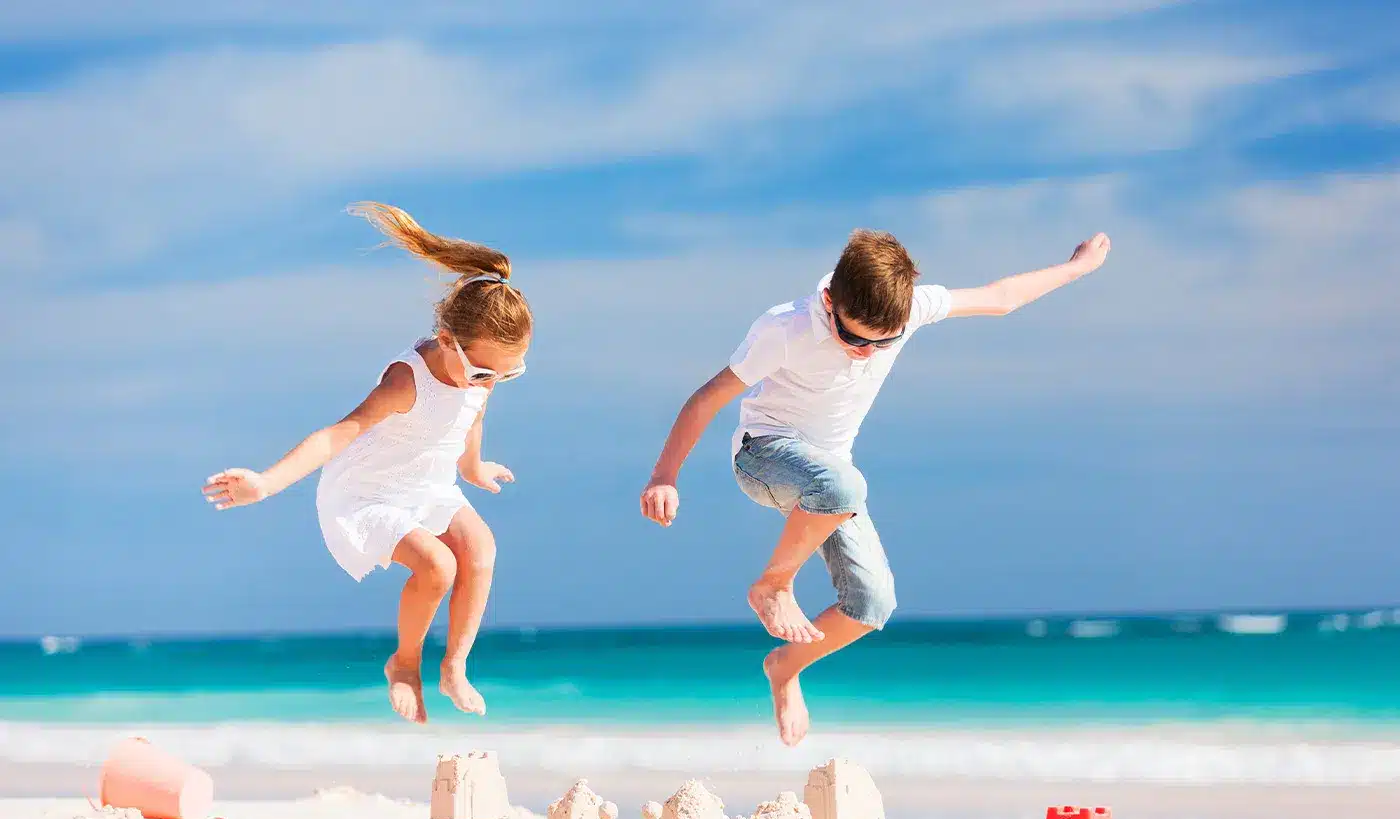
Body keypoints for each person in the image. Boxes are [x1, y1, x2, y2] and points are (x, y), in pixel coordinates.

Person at [639, 228, 1111, 745]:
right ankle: (773, 584)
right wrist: (665, 475)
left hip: (832, 483)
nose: (866, 351)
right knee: (843, 483)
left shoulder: (911, 309)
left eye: (881, 341)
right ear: (828, 302)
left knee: (872, 603)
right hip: (764, 457)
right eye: (853, 338)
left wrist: (1077, 268)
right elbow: (706, 398)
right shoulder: (786, 327)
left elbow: (1000, 299)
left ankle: (785, 667)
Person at [202, 203, 531, 725]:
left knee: (483, 550)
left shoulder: (479, 376)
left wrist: (474, 468)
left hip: (429, 484)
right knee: (439, 566)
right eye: (483, 373)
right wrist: (266, 483)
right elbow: (337, 434)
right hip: (367, 494)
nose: (489, 383)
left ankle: (454, 666)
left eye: (506, 376)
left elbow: (472, 417)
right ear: (447, 341)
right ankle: (403, 664)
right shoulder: (408, 381)